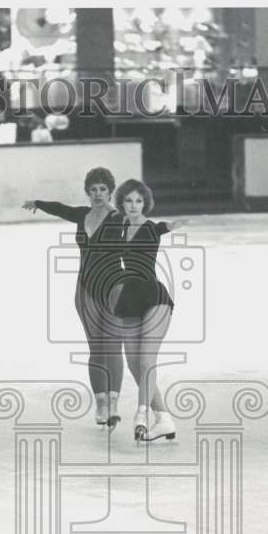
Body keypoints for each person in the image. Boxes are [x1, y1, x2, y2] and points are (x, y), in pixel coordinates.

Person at [22, 167, 126, 427]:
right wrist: (37, 203)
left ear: (110, 191)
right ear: (87, 192)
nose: (98, 194)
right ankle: (101, 405)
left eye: (103, 189)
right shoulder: (82, 215)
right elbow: (60, 208)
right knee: (96, 348)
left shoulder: (120, 219)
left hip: (114, 288)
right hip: (85, 290)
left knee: (113, 345)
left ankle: (113, 404)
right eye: (93, 189)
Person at [110, 179, 184, 442]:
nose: (133, 205)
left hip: (154, 297)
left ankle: (141, 414)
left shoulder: (150, 228)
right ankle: (163, 418)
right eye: (129, 200)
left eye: (138, 201)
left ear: (145, 204)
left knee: (146, 359)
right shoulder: (118, 228)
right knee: (133, 363)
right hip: (129, 298)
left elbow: (160, 228)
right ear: (122, 202)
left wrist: (171, 226)